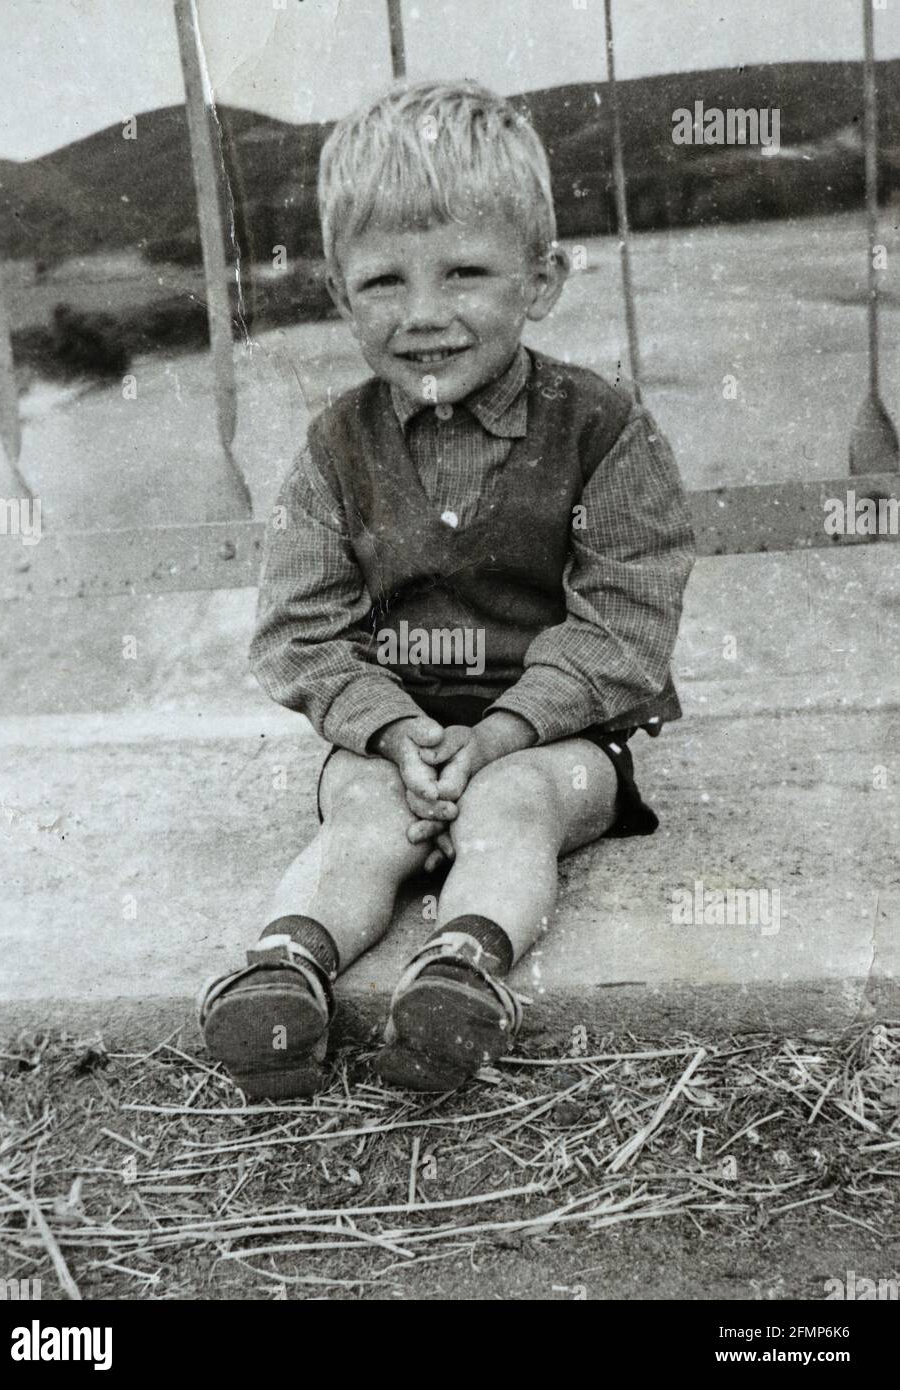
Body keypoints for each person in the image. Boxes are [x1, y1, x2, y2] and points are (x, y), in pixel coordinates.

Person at [198, 79, 696, 1097]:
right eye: (383, 283)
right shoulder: (336, 448)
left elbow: (625, 616)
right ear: (339, 295)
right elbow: (302, 630)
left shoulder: (602, 427)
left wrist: (507, 729)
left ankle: (461, 969)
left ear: (541, 279)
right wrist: (389, 729)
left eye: (466, 272)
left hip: (554, 739)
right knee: (368, 815)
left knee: (514, 807)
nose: (425, 317)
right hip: (391, 738)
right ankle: (286, 971)